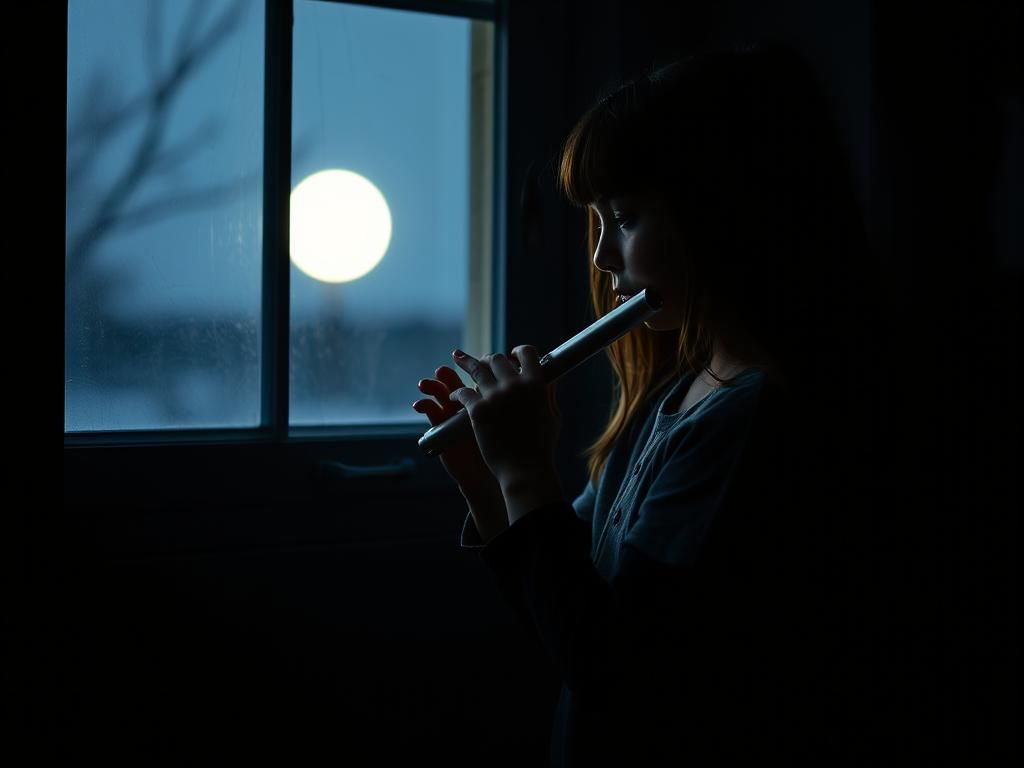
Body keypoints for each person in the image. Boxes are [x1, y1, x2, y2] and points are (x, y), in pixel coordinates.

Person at [412, 41, 878, 766]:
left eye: (623, 217)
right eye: (598, 222)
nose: (602, 258)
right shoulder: (673, 397)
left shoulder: (754, 421)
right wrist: (488, 476)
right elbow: (561, 608)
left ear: (725, 210)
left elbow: (610, 668)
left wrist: (528, 470)